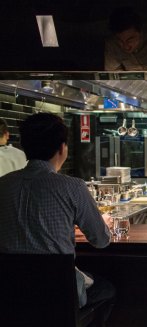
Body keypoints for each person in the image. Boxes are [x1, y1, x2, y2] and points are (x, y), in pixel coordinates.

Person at [0, 113, 115, 311]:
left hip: (10, 295)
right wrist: (103, 223)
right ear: (62, 148)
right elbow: (101, 240)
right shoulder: (72, 186)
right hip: (59, 295)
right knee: (107, 290)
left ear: (25, 148)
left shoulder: (3, 185)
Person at [104, 6, 147, 71]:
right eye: (120, 41)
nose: (125, 46)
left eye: (130, 40)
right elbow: (113, 72)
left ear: (140, 32)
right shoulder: (111, 44)